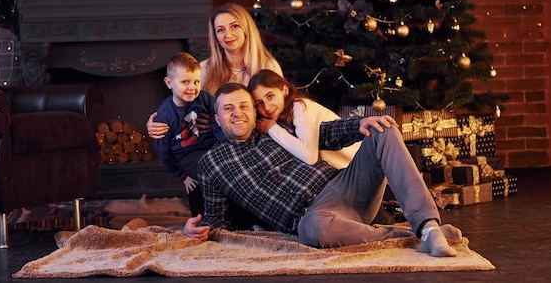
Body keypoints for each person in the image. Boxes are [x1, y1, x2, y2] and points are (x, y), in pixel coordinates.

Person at [183, 83, 461, 257]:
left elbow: (323, 133)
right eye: (228, 108)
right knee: (311, 230)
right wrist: (197, 230)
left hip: (345, 186)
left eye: (243, 105)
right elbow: (217, 218)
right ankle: (415, 238)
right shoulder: (212, 163)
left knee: (382, 128)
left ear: (254, 111)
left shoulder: (278, 129)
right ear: (217, 120)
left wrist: (357, 126)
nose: (237, 113)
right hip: (314, 217)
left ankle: (427, 226)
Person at [147, 3, 283, 139]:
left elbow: (281, 108)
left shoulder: (268, 66)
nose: (228, 35)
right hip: (215, 140)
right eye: (220, 30)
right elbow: (181, 102)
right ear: (216, 37)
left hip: (262, 138)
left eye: (234, 26)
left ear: (246, 29)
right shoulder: (204, 69)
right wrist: (159, 122)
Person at [152, 52, 224, 216]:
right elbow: (162, 150)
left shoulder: (205, 98)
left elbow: (218, 120)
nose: (192, 87)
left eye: (196, 82)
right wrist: (182, 176)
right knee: (207, 170)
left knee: (224, 164)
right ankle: (203, 218)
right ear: (169, 83)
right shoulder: (165, 115)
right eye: (185, 82)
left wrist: (224, 144)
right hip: (186, 155)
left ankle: (229, 214)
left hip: (211, 146)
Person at [247, 69, 359, 169]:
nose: (266, 107)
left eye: (270, 96)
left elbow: (309, 156)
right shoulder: (283, 116)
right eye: (259, 103)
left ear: (284, 90)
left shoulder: (301, 106)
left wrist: (272, 128)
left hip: (356, 165)